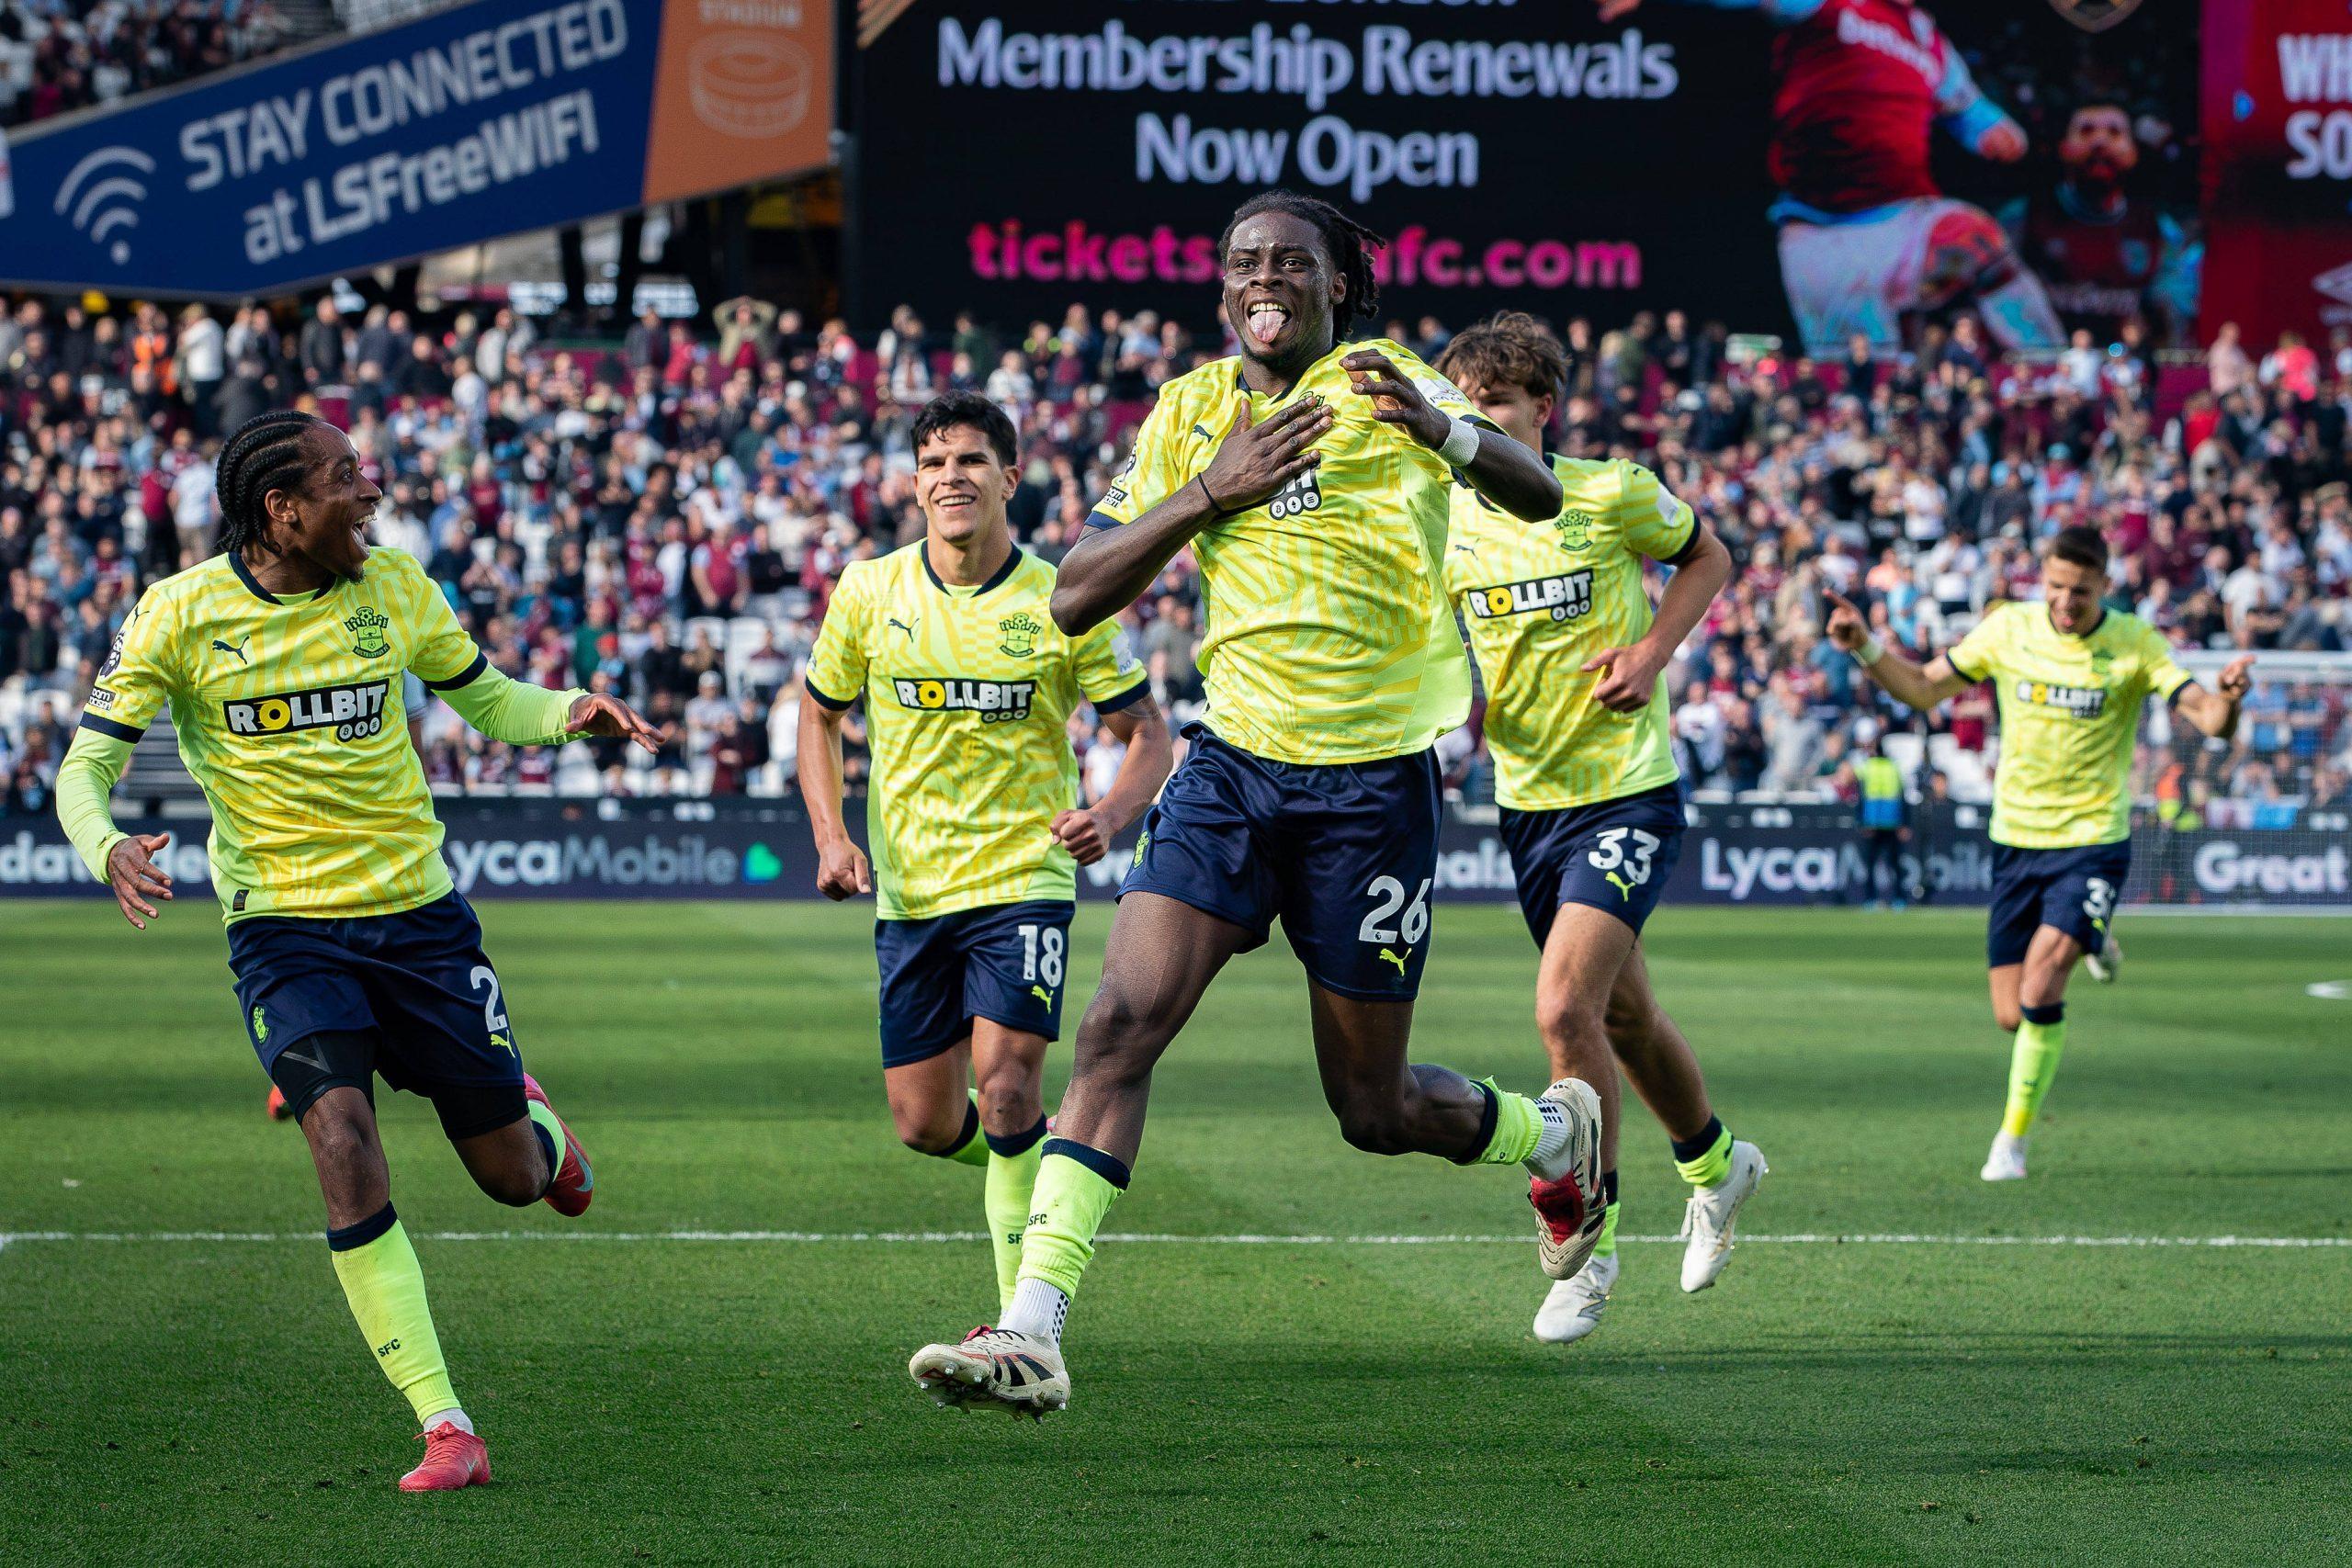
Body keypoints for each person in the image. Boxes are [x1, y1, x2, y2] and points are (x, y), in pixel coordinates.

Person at [908, 190, 1583, 1416]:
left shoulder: (1395, 388)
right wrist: (1205, 495)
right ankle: (1033, 1327)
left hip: (1372, 786)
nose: (1261, 278)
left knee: (1372, 1110)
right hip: (1232, 765)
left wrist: (1446, 430)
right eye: (1241, 264)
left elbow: (1541, 496)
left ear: (1342, 285)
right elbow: (1070, 594)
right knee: (1117, 1024)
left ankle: (1548, 1136)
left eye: (1289, 261)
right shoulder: (1188, 413)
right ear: (1224, 292)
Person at [52, 411, 661, 1491]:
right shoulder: (180, 614)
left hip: (419, 924)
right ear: (283, 511)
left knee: (512, 1181)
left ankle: (541, 1127)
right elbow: (83, 767)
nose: (370, 496)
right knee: (339, 1139)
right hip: (282, 931)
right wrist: (105, 847)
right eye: (347, 481)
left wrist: (570, 709)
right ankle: (446, 1425)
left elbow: (488, 700)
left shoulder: (395, 588)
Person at [799, 391, 1171, 1321]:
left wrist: (1113, 812)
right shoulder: (868, 591)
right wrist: (832, 835)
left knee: (1006, 1086)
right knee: (925, 1125)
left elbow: (1147, 734)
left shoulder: (1065, 598)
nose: (950, 478)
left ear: (1010, 477)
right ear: (913, 484)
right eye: (933, 463)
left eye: (969, 460)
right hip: (911, 890)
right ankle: (1042, 1166)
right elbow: (819, 713)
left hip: (1023, 880)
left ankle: (1021, 1329)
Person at [1435, 312, 1765, 1346]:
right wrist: (1466, 705)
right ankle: (1716, 1165)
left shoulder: (1609, 490)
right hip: (1525, 801)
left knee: (1561, 1008)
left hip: (1626, 790)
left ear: (1542, 410)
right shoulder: (1444, 521)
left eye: (1492, 408)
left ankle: (1591, 1242)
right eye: (1461, 412)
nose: (1476, 428)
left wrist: (1654, 652)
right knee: (1622, 1021)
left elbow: (1710, 556)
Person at [1826, 525, 2252, 1181]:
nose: (2064, 601)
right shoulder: (2008, 630)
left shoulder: (2135, 642)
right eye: (2054, 585)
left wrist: (2228, 699)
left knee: (2040, 983)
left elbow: (2206, 714)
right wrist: (1866, 648)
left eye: (2079, 591)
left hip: (2092, 839)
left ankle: (2011, 1143)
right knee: (2010, 1013)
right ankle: (2096, 939)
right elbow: (1921, 689)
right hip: (2016, 840)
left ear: (2104, 587)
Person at [1602, 0, 2062, 354]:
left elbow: (1973, 114)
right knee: (1861, 373)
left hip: (1906, 218)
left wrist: (2005, 135)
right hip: (1824, 230)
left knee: (1978, 241)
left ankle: (2056, 369)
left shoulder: (1928, 37)